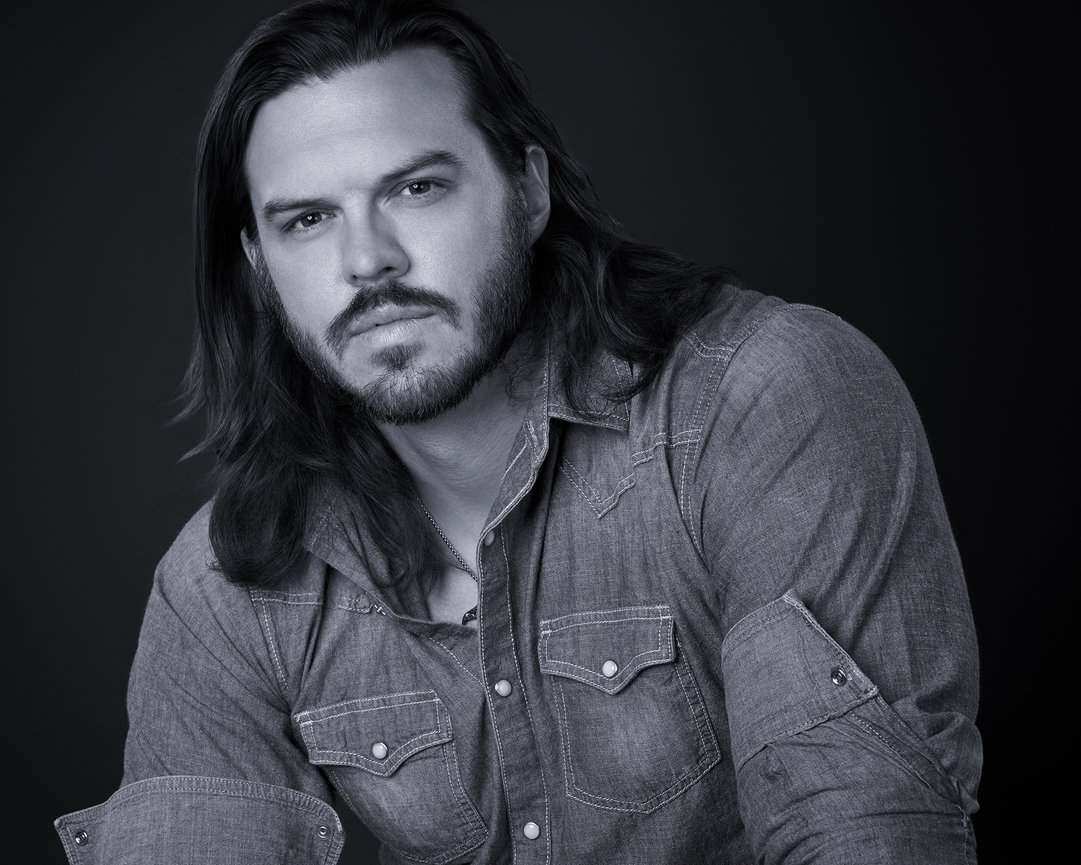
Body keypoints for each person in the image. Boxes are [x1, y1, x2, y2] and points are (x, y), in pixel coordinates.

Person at [53, 0, 982, 862]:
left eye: (415, 188)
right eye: (307, 219)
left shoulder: (765, 401)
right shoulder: (226, 588)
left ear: (527, 190)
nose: (366, 259)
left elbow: (866, 833)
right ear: (260, 266)